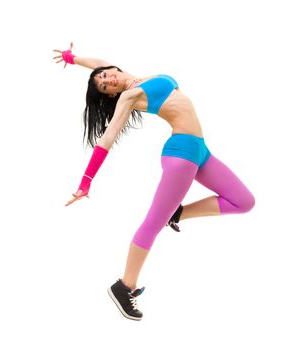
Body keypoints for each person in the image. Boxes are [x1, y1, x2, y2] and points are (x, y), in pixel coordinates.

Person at [53, 43, 255, 321]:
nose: (107, 80)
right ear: (111, 95)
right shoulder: (130, 96)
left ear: (112, 70)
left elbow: (97, 63)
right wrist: (85, 182)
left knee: (244, 201)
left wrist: (71, 58)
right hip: (181, 153)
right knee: (152, 224)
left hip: (200, 150)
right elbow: (107, 138)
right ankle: (125, 286)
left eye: (105, 76)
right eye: (103, 87)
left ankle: (179, 212)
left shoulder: (135, 77)